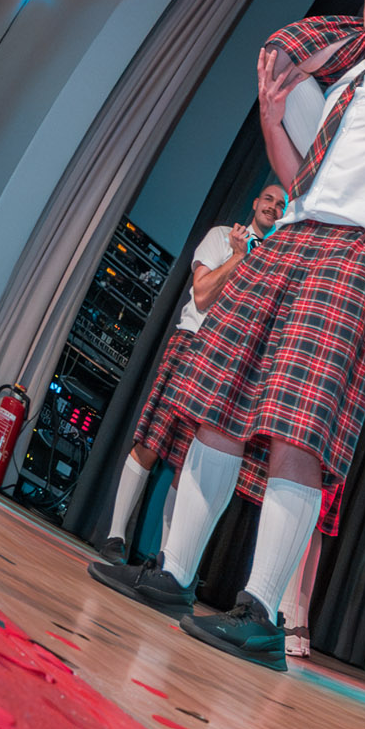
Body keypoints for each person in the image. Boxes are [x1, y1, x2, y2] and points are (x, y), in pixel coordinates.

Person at [89, 0, 365, 672]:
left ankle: (261, 614)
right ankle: (175, 575)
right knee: (217, 406)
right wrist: (274, 121)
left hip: (359, 251)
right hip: (292, 237)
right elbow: (301, 181)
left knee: (297, 430)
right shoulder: (347, 79)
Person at [98, 182, 286, 564]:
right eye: (268, 198)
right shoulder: (222, 237)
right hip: (193, 343)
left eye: (281, 204)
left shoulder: (276, 263)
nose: (273, 206)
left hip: (227, 361)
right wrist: (238, 258)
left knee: (188, 463)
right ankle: (115, 537)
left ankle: (166, 562)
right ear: (254, 203)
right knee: (152, 442)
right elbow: (201, 296)